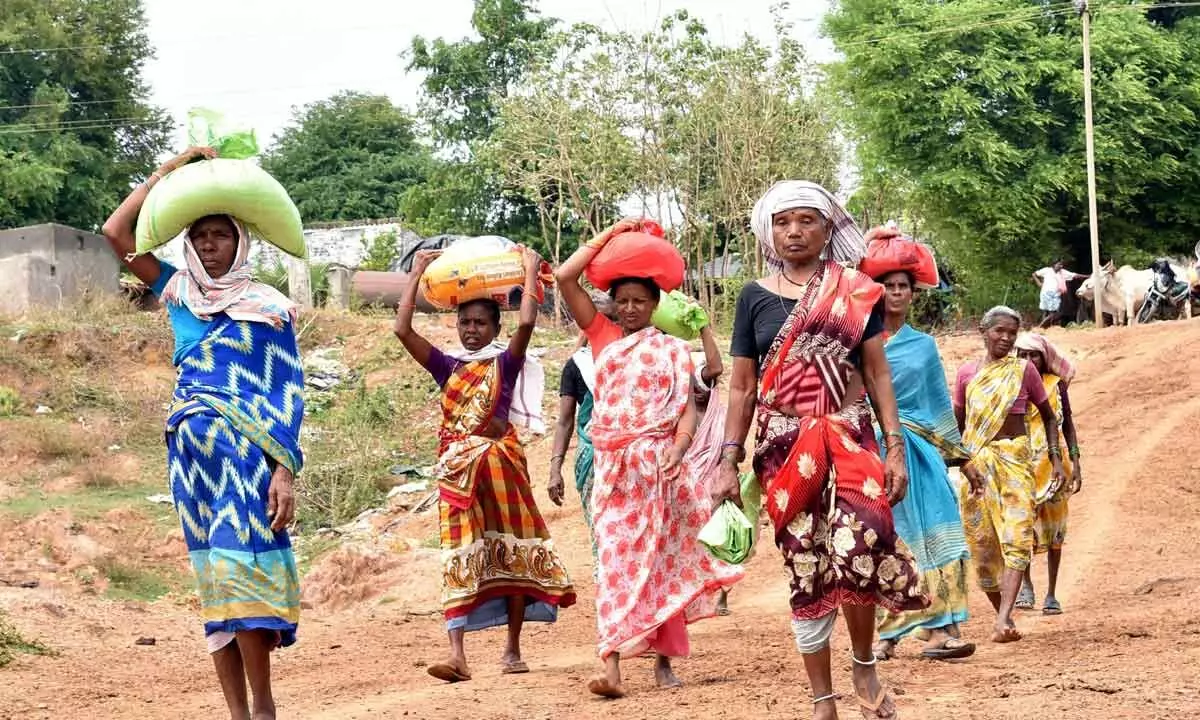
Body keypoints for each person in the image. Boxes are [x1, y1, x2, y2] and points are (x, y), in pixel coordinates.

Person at [102, 146, 304, 720]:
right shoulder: (176, 290)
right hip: (192, 461)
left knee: (245, 566)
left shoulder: (269, 308)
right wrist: (169, 170)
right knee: (215, 574)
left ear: (241, 242)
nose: (211, 244)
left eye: (221, 234)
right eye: (201, 235)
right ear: (187, 243)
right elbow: (117, 234)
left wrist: (284, 470)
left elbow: (287, 392)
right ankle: (238, 713)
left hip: (248, 457)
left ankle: (262, 705)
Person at [713, 181, 925, 720]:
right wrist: (726, 459)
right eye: (783, 223)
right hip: (785, 447)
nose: (794, 232)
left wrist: (895, 448)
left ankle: (863, 663)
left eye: (806, 220)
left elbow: (877, 373)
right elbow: (741, 386)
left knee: (861, 545)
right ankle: (822, 701)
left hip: (852, 436)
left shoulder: (855, 290)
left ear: (828, 228)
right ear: (769, 232)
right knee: (806, 564)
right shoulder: (753, 297)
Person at [555, 220, 743, 699]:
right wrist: (610, 235)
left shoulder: (674, 351)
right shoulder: (601, 336)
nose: (632, 308)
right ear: (612, 304)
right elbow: (563, 277)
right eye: (624, 300)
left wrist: (678, 450)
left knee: (663, 562)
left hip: (660, 467)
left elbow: (686, 412)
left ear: (656, 305)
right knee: (615, 564)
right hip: (613, 470)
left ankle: (663, 662)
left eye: (641, 301)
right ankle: (612, 668)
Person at [394, 248, 576, 683]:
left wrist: (531, 270)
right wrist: (417, 272)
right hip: (459, 476)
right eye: (464, 323)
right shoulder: (446, 366)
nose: (471, 330)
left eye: (480, 323)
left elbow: (528, 321)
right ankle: (456, 654)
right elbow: (401, 329)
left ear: (496, 328)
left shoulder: (505, 363)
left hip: (503, 471)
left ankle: (512, 647)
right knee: (460, 553)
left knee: (512, 551)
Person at [869, 267, 975, 662]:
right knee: (890, 538)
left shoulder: (924, 346)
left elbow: (940, 407)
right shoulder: (861, 341)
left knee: (937, 530)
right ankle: (891, 633)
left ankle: (945, 627)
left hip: (924, 454)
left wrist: (963, 461)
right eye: (889, 286)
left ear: (913, 294)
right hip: (877, 452)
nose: (896, 293)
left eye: (903, 287)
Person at [953, 307, 1066, 644]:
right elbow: (956, 427)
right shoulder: (966, 374)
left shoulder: (1024, 370)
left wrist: (1056, 457)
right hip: (977, 469)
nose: (1005, 338)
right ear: (982, 330)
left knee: (1017, 536)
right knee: (984, 548)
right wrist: (961, 463)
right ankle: (1004, 612)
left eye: (1011, 333)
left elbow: (1048, 416)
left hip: (1016, 462)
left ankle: (1003, 619)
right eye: (998, 331)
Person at [1013, 333, 1082, 615]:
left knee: (1055, 532)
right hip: (1019, 465)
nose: (1029, 361)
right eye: (1024, 355)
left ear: (1044, 358)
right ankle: (1026, 586)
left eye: (1035, 355)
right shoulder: (1009, 385)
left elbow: (1068, 425)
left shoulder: (1056, 386)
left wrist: (1076, 462)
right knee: (1021, 529)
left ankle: (1052, 593)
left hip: (1054, 468)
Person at [547, 293, 618, 560]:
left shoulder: (635, 358)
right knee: (601, 532)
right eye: (598, 320)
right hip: (592, 461)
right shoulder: (577, 366)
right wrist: (555, 469)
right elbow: (565, 421)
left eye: (611, 319)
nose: (605, 326)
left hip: (632, 458)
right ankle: (609, 591)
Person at [683, 325, 728, 613]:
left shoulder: (717, 414)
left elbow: (715, 367)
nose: (700, 393)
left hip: (712, 479)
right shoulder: (680, 411)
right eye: (694, 389)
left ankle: (722, 591)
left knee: (716, 536)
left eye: (704, 388)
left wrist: (704, 329)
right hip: (688, 480)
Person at [1031, 261, 1084, 329]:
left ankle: (1043, 327)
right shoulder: (1046, 270)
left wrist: (1088, 276)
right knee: (1047, 311)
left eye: (1061, 265)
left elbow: (1075, 275)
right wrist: (1039, 283)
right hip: (1046, 293)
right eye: (1059, 264)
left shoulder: (1063, 272)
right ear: (1053, 265)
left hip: (1056, 295)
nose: (1061, 266)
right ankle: (1043, 328)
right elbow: (1034, 274)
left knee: (1055, 312)